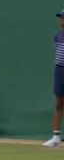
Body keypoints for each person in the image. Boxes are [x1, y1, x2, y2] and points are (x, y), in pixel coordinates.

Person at [43, 9, 64, 147]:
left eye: (62, 17)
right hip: (60, 71)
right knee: (58, 104)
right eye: (60, 17)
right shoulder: (57, 36)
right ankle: (56, 137)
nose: (61, 20)